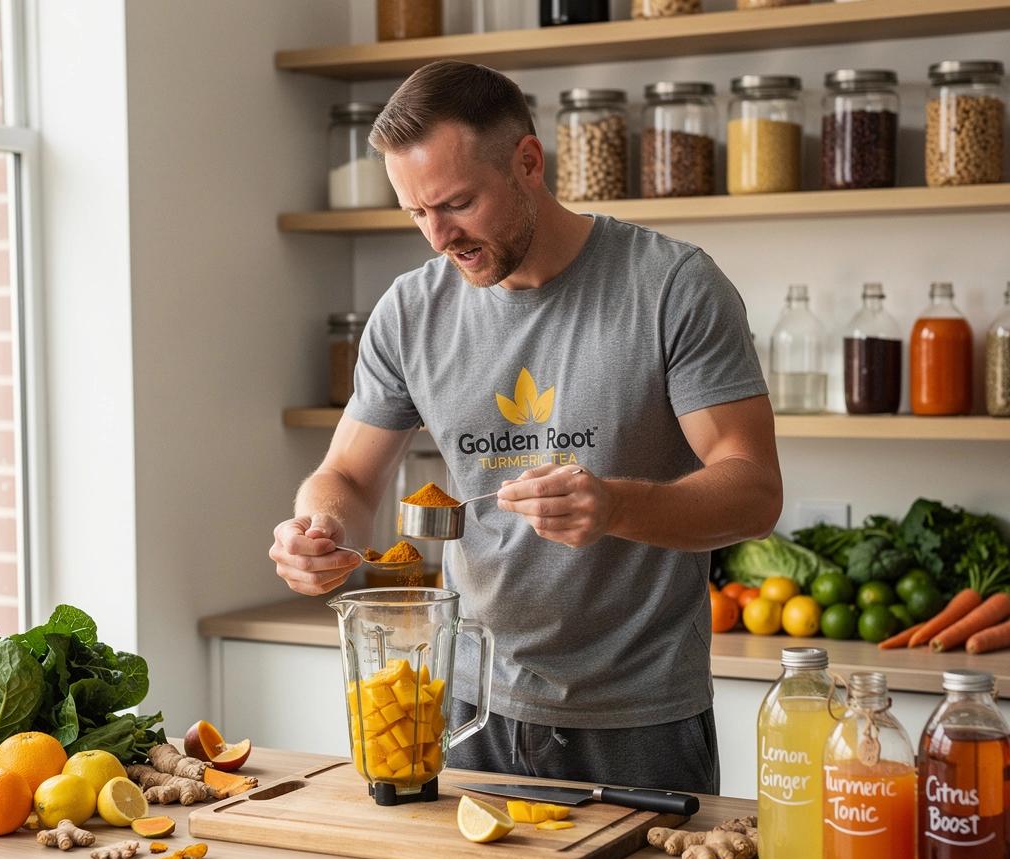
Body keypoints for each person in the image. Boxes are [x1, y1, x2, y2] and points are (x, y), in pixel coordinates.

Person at [269, 60, 783, 795]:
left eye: (458, 203)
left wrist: (615, 505)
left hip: (640, 717)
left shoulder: (672, 287)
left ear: (529, 163)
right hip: (468, 703)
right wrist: (317, 529)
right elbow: (347, 476)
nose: (438, 237)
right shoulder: (410, 312)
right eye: (416, 213)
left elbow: (754, 491)